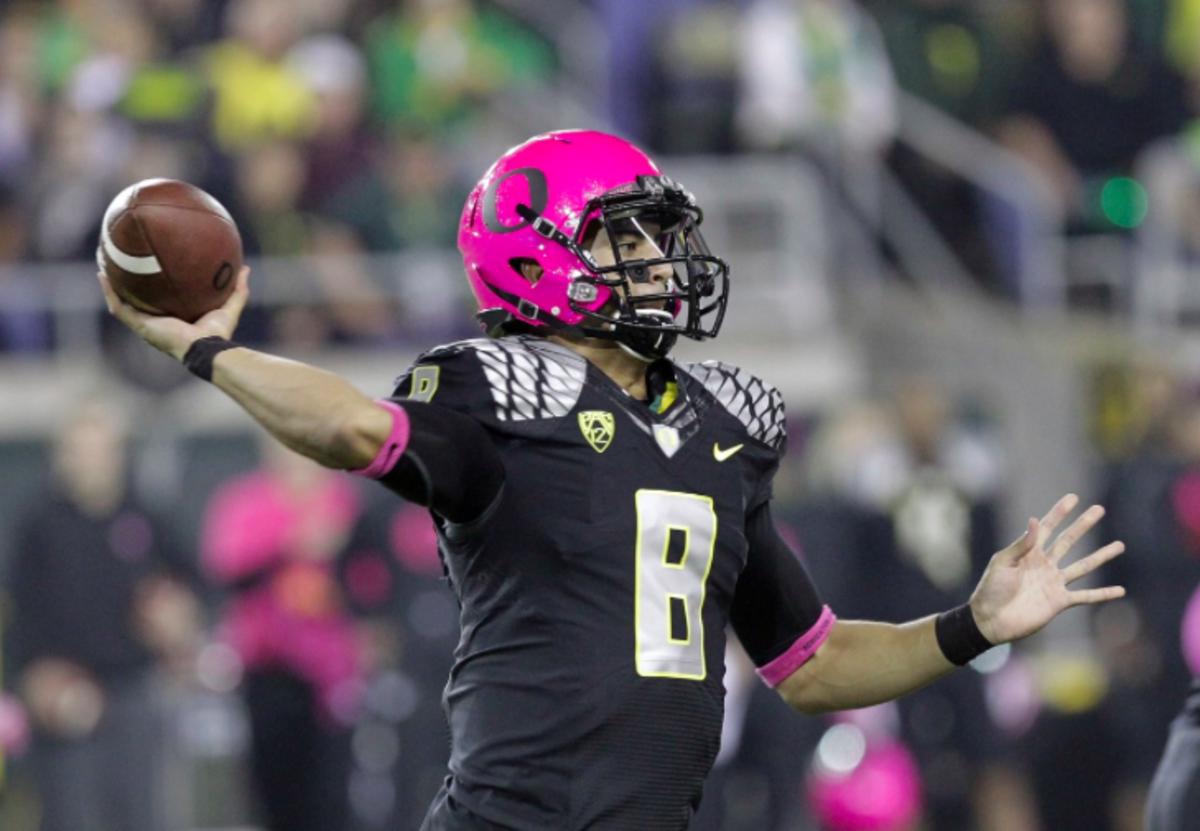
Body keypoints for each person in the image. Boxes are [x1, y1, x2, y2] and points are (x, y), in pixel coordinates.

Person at [97, 129, 1127, 830]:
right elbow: (349, 428)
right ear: (535, 255)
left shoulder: (723, 424)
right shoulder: (498, 391)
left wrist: (973, 626)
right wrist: (211, 354)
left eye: (657, 234)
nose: (659, 258)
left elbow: (811, 664)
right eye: (622, 236)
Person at [7, 400, 201, 831]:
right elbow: (18, 612)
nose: (90, 463)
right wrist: (34, 677)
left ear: (119, 455)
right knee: (71, 814)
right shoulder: (37, 522)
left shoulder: (145, 514)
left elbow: (197, 581)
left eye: (101, 450)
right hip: (66, 693)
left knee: (141, 813)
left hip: (135, 688)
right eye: (79, 450)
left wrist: (179, 613)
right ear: (61, 457)